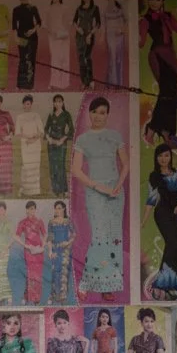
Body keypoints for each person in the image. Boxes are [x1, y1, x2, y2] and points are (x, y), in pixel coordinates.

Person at [71, 98, 125, 298]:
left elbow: (126, 164)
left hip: (115, 193)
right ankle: (86, 282)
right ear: (89, 114)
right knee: (99, 237)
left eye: (103, 112)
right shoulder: (83, 139)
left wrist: (117, 186)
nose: (99, 116)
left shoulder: (115, 136)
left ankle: (108, 286)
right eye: (95, 112)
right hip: (95, 192)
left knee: (114, 238)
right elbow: (76, 170)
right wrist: (97, 186)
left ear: (107, 115)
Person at [145, 142, 177, 300]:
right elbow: (151, 200)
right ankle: (159, 284)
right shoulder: (154, 176)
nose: (163, 159)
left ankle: (171, 287)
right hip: (162, 213)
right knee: (171, 243)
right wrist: (143, 222)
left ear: (170, 156)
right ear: (156, 158)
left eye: (166, 155)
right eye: (160, 156)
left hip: (176, 214)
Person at [140, 0, 177, 140]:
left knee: (171, 95)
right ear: (148, 1)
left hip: (171, 57)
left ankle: (167, 130)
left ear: (163, 1)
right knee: (166, 92)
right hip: (157, 56)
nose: (154, 2)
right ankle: (153, 128)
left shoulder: (167, 16)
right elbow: (141, 43)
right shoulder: (146, 19)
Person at [11, 0, 40, 90]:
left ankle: (30, 85)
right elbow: (14, 25)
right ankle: (20, 85)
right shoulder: (16, 9)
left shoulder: (33, 8)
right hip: (21, 37)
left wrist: (32, 30)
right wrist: (16, 38)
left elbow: (39, 22)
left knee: (31, 60)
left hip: (33, 38)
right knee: (23, 60)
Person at [72, 0, 101, 89]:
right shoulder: (79, 8)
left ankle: (91, 80)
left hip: (89, 34)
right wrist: (78, 29)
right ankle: (84, 81)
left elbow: (98, 24)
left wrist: (90, 34)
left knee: (86, 57)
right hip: (80, 35)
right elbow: (74, 22)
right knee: (81, 58)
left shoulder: (95, 8)